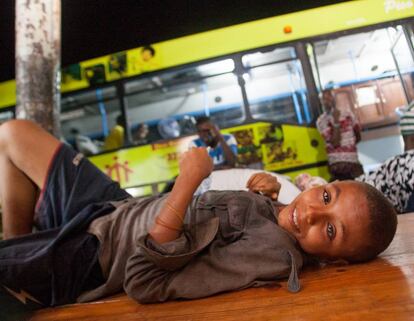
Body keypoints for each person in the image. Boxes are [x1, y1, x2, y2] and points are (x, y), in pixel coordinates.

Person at [0, 120, 397, 315]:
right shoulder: (280, 218)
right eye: (325, 196)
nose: (309, 211)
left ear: (335, 259)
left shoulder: (273, 254)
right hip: (115, 209)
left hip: (95, 252)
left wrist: (188, 180)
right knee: (13, 134)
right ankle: (25, 247)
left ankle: (30, 257)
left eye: (329, 229)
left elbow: (143, 279)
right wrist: (262, 200)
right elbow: (218, 227)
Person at [316, 89, 364, 181]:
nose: (327, 101)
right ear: (321, 102)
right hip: (337, 166)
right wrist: (336, 121)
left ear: (334, 98)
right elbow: (335, 143)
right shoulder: (321, 121)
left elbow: (358, 136)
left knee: (362, 189)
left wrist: (349, 149)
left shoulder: (348, 114)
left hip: (353, 163)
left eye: (329, 97)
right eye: (324, 99)